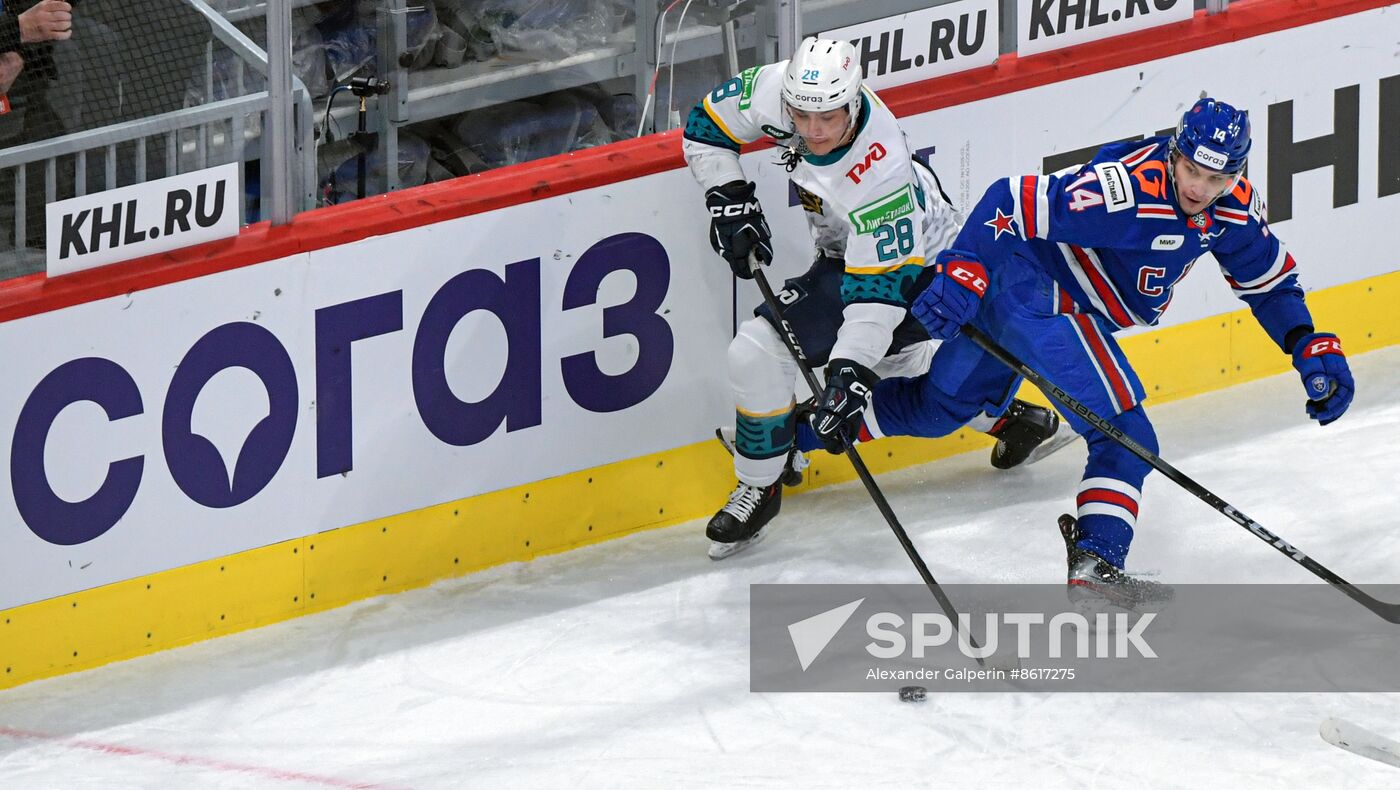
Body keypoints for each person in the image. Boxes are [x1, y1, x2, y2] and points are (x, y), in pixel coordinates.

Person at [860, 96, 1355, 607]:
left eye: (1216, 179)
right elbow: (1008, 199)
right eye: (1190, 171)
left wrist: (1306, 342)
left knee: (936, 409)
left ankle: (794, 432)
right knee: (1126, 437)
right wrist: (965, 266)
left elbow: (1269, 285)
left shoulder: (1233, 210)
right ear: (1175, 153)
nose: (1198, 189)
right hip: (1043, 297)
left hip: (1017, 297)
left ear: (1235, 173)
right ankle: (1098, 561)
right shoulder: (1125, 193)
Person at [681, 37, 1065, 559]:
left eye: (828, 119)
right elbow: (705, 127)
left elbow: (875, 298)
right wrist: (729, 198)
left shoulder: (878, 170)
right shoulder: (775, 92)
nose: (812, 132)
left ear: (855, 101)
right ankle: (1014, 420)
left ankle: (766, 475)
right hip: (846, 255)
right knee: (819, 361)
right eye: (801, 115)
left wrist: (847, 373)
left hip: (922, 269)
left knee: (863, 367)